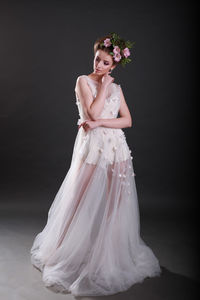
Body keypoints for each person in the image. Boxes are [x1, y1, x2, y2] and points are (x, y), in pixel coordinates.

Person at [30, 32, 162, 296]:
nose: (98, 65)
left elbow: (127, 121)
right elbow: (91, 112)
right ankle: (61, 250)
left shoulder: (117, 88)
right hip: (93, 149)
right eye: (97, 59)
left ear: (113, 66)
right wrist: (102, 88)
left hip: (117, 149)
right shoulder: (83, 81)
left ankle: (107, 255)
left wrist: (102, 122)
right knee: (79, 198)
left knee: (115, 204)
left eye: (104, 63)